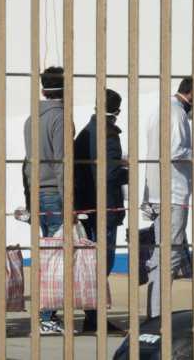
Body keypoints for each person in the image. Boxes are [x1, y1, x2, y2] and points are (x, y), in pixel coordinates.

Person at [142, 77, 194, 319]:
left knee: (160, 254)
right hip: (173, 194)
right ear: (192, 94)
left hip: (156, 191)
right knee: (171, 255)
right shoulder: (176, 114)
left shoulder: (159, 110)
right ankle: (158, 315)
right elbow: (174, 152)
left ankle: (154, 313)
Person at [74, 89, 128, 332]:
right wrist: (127, 170)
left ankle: (91, 316)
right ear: (116, 112)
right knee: (102, 264)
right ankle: (95, 318)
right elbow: (110, 174)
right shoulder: (109, 135)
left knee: (91, 263)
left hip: (87, 205)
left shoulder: (85, 133)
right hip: (106, 207)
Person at [23, 66, 67, 335]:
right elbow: (63, 162)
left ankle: (45, 314)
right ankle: (47, 316)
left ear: (42, 89)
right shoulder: (59, 118)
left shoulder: (31, 119)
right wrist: (68, 199)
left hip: (37, 191)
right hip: (54, 193)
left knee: (46, 255)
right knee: (55, 258)